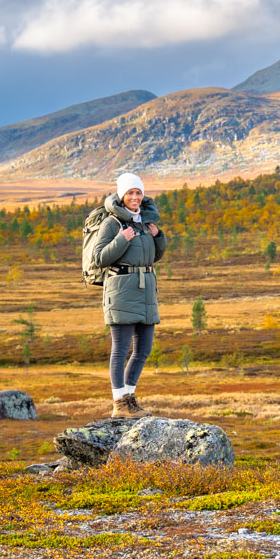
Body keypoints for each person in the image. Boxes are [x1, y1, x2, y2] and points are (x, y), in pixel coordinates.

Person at [91, 173, 167, 418]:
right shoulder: (112, 223)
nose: (135, 197)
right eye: (130, 193)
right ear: (122, 195)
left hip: (145, 291)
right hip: (121, 291)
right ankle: (118, 403)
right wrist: (121, 240)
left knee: (144, 348)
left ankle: (129, 399)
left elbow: (152, 258)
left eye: (138, 193)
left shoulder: (144, 222)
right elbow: (99, 258)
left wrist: (158, 238)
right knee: (121, 349)